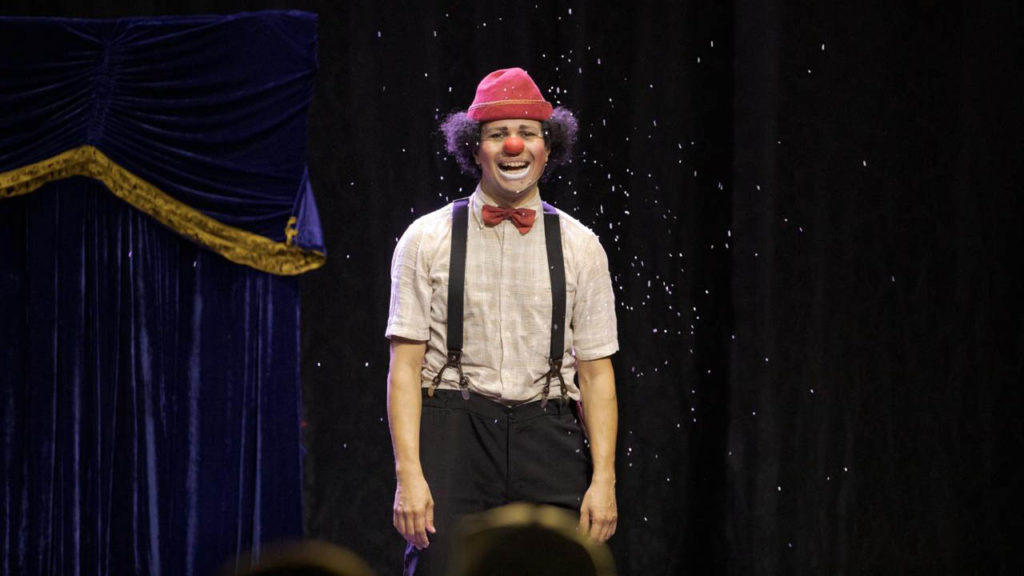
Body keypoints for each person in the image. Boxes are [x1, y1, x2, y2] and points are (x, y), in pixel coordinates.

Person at [386, 67, 619, 576]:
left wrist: (604, 480)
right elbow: (404, 367)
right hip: (455, 429)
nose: (514, 146)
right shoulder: (425, 239)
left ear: (548, 146)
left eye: (527, 132)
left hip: (549, 433)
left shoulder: (582, 246)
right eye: (497, 134)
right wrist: (409, 475)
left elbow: (596, 373)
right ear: (475, 149)